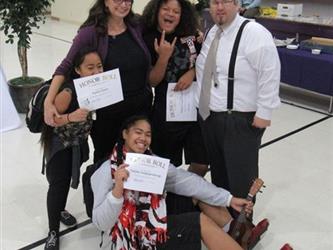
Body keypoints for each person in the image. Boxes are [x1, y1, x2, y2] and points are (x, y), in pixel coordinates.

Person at [90, 115, 266, 250]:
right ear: (125, 134)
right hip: (134, 235)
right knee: (199, 221)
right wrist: (117, 192)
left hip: (152, 214)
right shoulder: (107, 170)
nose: (143, 138)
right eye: (138, 132)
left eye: (148, 134)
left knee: (197, 195)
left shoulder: (152, 162)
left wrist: (228, 199)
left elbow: (187, 181)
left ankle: (239, 236)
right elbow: (100, 223)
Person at [195, 0, 280, 217]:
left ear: (238, 5)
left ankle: (242, 228)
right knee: (220, 176)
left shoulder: (254, 33)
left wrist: (264, 113)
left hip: (239, 120)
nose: (220, 7)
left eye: (226, 1)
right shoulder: (213, 31)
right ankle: (227, 223)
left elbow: (269, 74)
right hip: (211, 117)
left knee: (241, 180)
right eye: (215, 2)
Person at [44, 0, 153, 163]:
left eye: (128, 0)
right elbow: (65, 67)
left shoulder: (136, 25)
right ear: (106, 2)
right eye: (117, 0)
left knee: (137, 160)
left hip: (140, 108)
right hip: (108, 115)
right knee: (106, 161)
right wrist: (48, 102)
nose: (123, 5)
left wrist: (197, 36)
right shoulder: (90, 33)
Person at [41, 47, 103, 250]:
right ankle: (52, 232)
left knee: (66, 180)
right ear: (77, 69)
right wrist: (70, 117)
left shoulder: (96, 87)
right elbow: (50, 120)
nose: (96, 72)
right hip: (60, 145)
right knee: (58, 184)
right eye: (90, 67)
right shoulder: (68, 92)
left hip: (78, 142)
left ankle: (59, 210)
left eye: (99, 66)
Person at [141, 0, 209, 177]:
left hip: (195, 108)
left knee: (201, 163)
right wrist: (163, 57)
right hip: (167, 110)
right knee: (164, 166)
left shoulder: (192, 34)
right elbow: (152, 82)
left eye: (176, 11)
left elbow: (205, 61)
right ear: (156, 11)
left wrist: (193, 72)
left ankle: (185, 198)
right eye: (165, 9)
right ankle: (166, 200)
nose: (170, 14)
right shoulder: (148, 37)